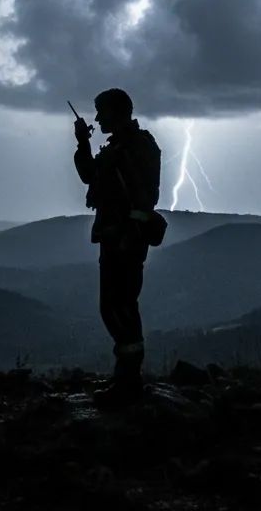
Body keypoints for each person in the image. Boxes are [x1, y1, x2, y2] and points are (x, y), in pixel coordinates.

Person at [72, 87, 161, 409]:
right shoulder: (118, 147)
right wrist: (83, 142)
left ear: (118, 111)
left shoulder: (138, 146)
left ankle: (129, 381)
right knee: (114, 305)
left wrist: (131, 234)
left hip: (126, 239)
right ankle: (126, 377)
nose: (97, 118)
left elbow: (146, 196)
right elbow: (88, 176)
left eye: (101, 111)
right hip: (114, 237)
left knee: (120, 305)